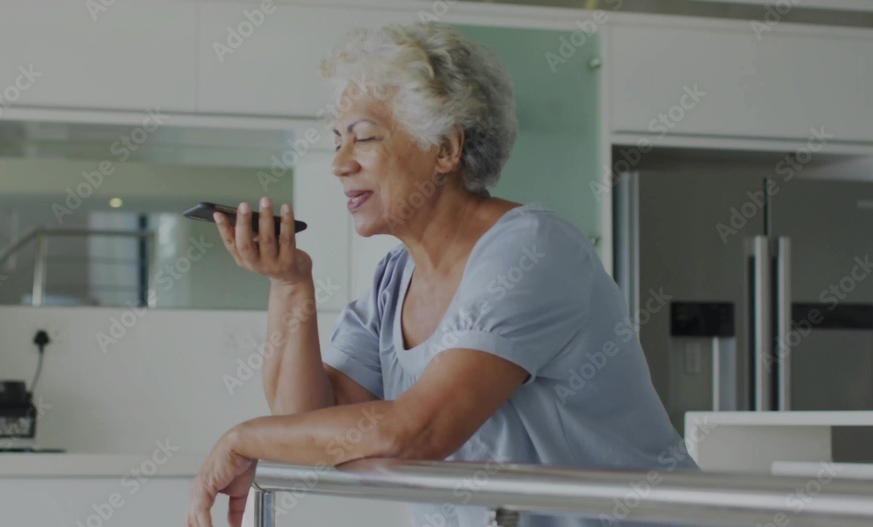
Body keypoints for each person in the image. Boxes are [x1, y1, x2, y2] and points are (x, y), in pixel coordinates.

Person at [186, 21, 697, 527]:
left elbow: (419, 432)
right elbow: (309, 426)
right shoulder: (393, 280)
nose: (339, 163)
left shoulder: (530, 251)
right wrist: (289, 284)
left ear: (447, 149)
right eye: (338, 140)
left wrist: (243, 439)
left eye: (364, 138)